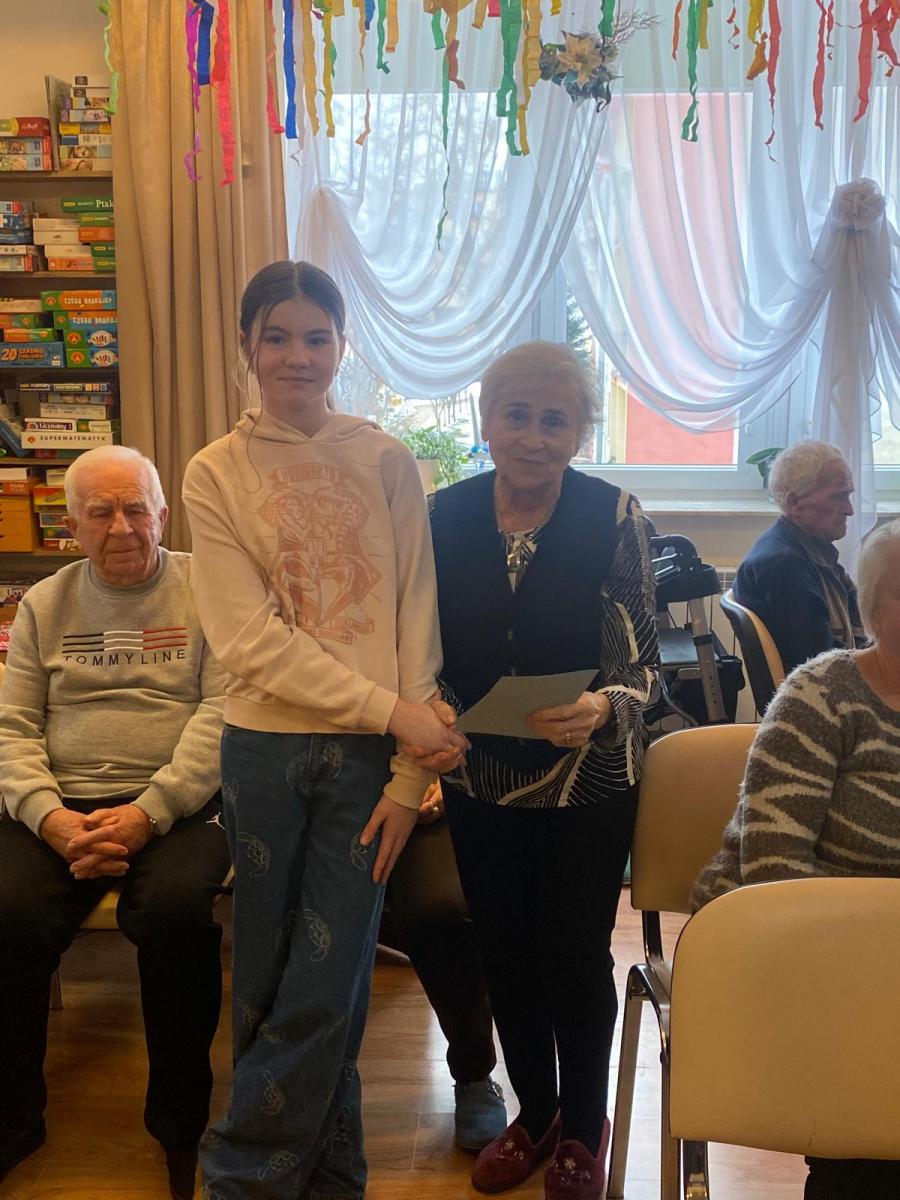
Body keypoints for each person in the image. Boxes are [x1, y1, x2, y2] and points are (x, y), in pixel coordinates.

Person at [181, 259, 466, 1200]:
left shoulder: (386, 459)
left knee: (328, 970)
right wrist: (399, 715)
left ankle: (239, 1177)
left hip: (366, 763)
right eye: (277, 337)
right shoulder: (215, 471)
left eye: (316, 337)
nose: (297, 356)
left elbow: (414, 621)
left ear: (343, 346)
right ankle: (333, 1176)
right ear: (247, 346)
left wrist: (407, 769)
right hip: (261, 751)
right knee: (267, 975)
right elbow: (247, 642)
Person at [417, 341, 658, 1200]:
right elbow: (422, 648)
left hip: (588, 780)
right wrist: (433, 704)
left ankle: (585, 1126)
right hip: (478, 777)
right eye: (516, 416)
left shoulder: (615, 514)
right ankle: (537, 1113)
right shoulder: (440, 516)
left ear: (579, 432)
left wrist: (600, 706)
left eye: (555, 421)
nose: (533, 437)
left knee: (574, 955)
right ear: (486, 422)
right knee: (505, 951)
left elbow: (643, 668)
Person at [0, 446, 229, 1200]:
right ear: (72, 526)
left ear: (163, 514)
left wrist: (148, 812)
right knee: (6, 911)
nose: (122, 527)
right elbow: (11, 728)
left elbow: (222, 713)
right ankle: (13, 1120)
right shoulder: (45, 603)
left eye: (137, 509)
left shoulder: (208, 587)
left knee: (173, 914)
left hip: (177, 805)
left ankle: (179, 1128)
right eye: (101, 512)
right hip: (61, 804)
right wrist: (50, 818)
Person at [693, 518, 900, 1200]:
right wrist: (868, 961)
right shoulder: (824, 694)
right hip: (802, 948)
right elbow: (775, 869)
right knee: (866, 1142)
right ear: (871, 610)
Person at [384, 782, 506, 1152]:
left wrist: (436, 778)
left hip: (430, 776)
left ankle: (473, 1070)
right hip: (330, 786)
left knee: (439, 908)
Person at [733, 441, 865, 674]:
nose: (849, 509)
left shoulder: (810, 549)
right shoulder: (784, 567)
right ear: (794, 503)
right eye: (838, 497)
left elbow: (865, 618)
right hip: (826, 691)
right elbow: (819, 666)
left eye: (848, 496)